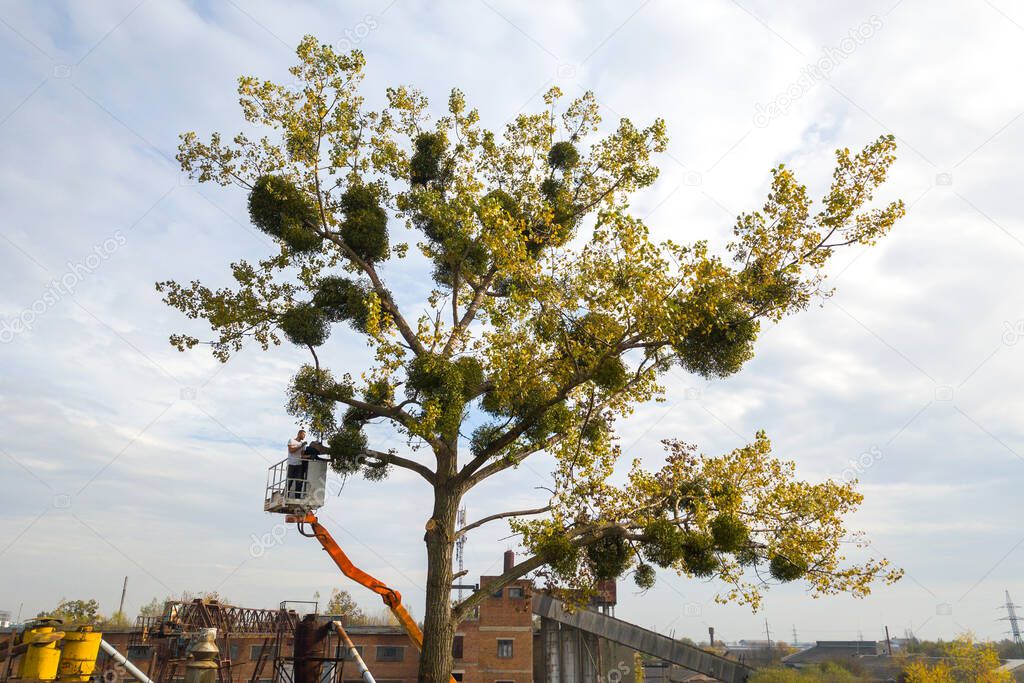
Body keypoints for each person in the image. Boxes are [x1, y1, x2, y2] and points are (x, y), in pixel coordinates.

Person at [287, 428, 308, 498]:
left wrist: (311, 456)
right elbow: (291, 450)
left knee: (299, 482)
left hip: (299, 465)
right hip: (291, 464)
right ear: (299, 434)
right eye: (303, 435)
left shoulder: (303, 444)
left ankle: (297, 498)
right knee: (289, 482)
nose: (304, 437)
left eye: (305, 436)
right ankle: (286, 496)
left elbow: (302, 456)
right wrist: (301, 446)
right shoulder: (291, 440)